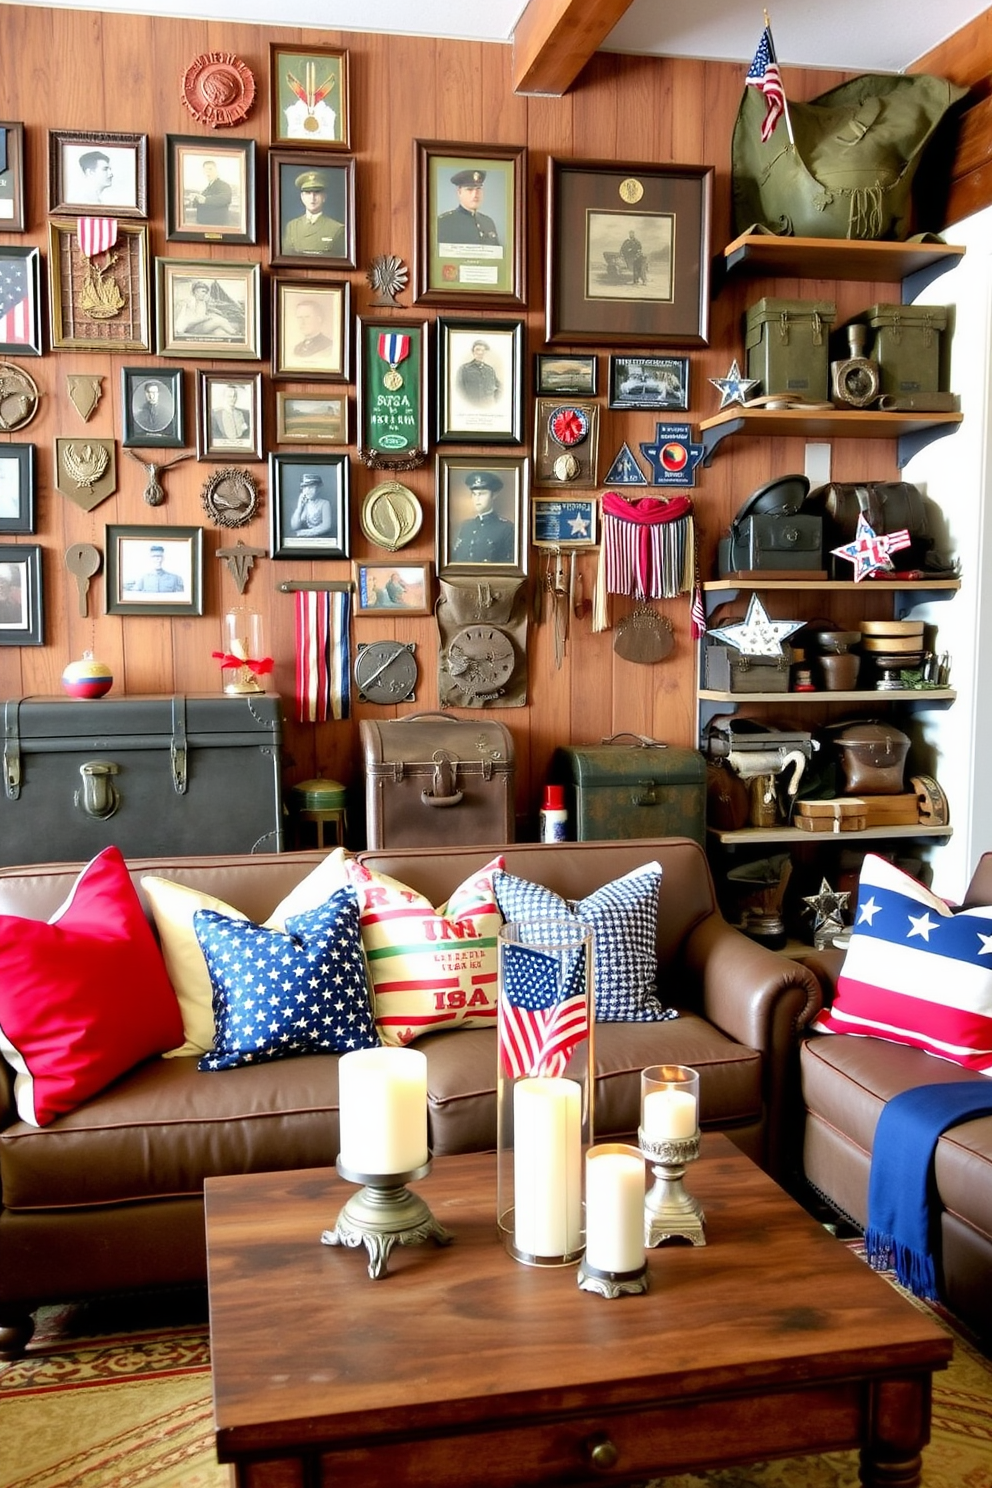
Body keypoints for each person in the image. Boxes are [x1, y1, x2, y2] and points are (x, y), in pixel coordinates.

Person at [450, 471, 515, 563]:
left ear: (494, 495)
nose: (477, 499)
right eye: (474, 494)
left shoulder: (506, 528)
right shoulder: (466, 526)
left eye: (482, 494)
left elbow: (509, 566)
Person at [282, 169, 344, 257]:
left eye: (317, 193)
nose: (312, 198)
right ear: (302, 197)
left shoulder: (337, 228)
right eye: (308, 193)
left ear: (324, 197)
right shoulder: (292, 226)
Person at [437, 168, 500, 247]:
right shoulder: (444, 223)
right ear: (459, 192)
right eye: (469, 189)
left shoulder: (488, 222)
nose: (475, 195)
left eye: (478, 189)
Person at [174, 279, 241, 339]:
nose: (205, 294)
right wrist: (207, 318)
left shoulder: (202, 303)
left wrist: (211, 315)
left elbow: (203, 315)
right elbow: (191, 321)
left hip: (199, 326)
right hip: (191, 328)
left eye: (205, 292)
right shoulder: (189, 303)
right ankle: (235, 333)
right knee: (221, 321)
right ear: (196, 292)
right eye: (203, 291)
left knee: (220, 332)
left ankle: (235, 339)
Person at [187, 159, 232, 226]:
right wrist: (195, 200)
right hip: (204, 224)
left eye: (210, 169)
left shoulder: (224, 185)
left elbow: (225, 199)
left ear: (216, 170)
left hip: (216, 225)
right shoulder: (207, 189)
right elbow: (200, 203)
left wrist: (206, 200)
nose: (208, 172)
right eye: (205, 170)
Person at [289, 472, 334, 539]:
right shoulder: (306, 505)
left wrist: (306, 533)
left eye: (311, 487)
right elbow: (295, 527)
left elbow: (326, 526)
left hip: (322, 538)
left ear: (318, 489)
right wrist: (299, 508)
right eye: (304, 488)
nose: (307, 491)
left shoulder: (324, 503)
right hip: (307, 539)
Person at [457, 339, 502, 406]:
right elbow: (459, 389)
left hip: (487, 406)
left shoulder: (490, 370)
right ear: (473, 352)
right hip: (470, 405)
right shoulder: (464, 369)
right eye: (477, 350)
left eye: (483, 350)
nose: (480, 353)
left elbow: (498, 387)